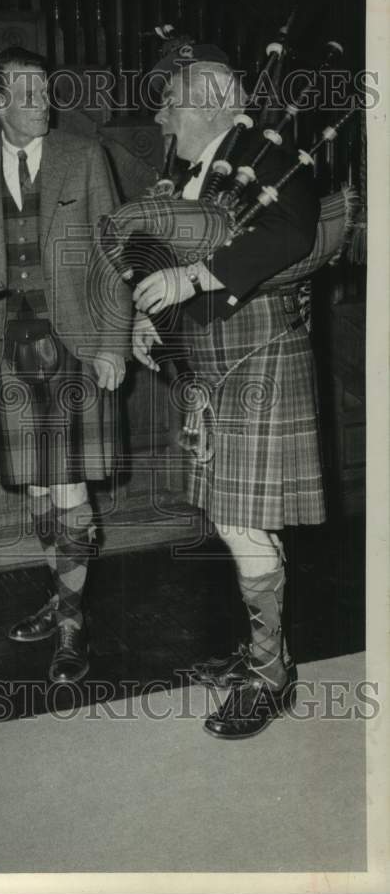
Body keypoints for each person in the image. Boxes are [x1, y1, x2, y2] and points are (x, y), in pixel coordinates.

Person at [130, 47, 324, 738]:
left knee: (241, 521)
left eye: (170, 101)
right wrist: (154, 324)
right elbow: (168, 262)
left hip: (259, 355)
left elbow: (293, 230)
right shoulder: (202, 171)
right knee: (241, 519)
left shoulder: (267, 155)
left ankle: (271, 675)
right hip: (216, 362)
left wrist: (194, 280)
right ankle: (265, 656)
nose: (159, 114)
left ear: (210, 101)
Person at [0, 47, 133, 684]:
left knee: (71, 485)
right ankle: (63, 597)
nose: (42, 101)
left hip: (75, 348)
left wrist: (113, 342)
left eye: (46, 89)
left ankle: (73, 625)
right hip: (8, 351)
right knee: (37, 485)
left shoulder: (83, 157)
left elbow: (113, 256)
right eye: (26, 91)